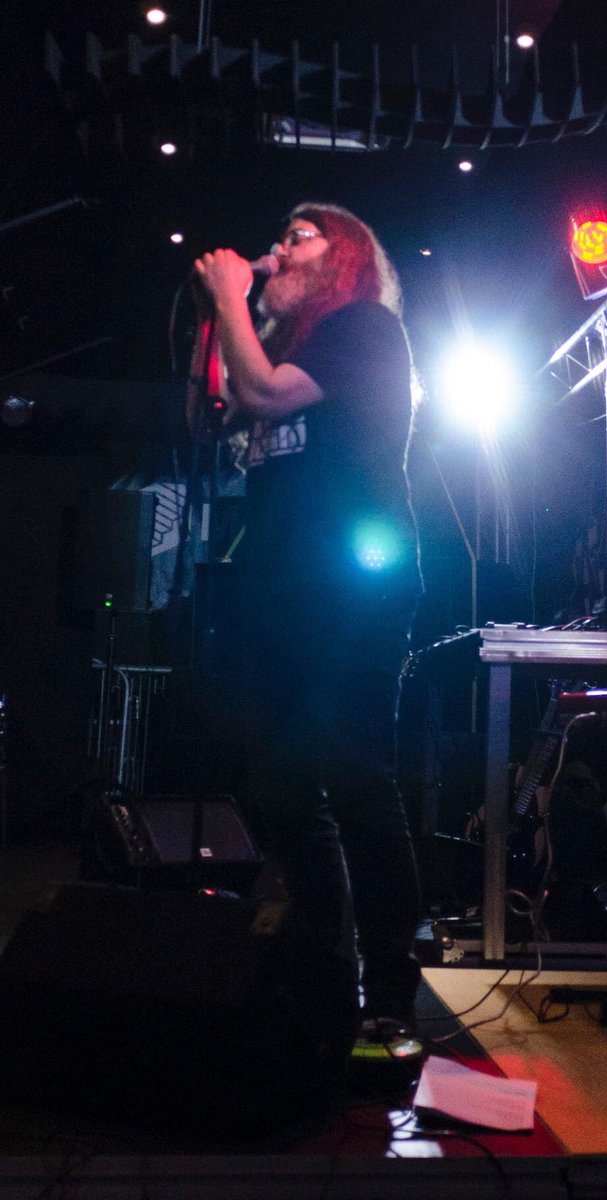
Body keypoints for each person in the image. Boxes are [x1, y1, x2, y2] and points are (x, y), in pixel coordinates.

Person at [187, 203, 423, 1037]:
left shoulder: (362, 328)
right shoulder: (290, 343)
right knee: (279, 782)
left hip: (352, 581)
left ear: (343, 256)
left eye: (299, 235)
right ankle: (329, 960)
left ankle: (393, 985)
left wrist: (228, 294)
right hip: (283, 585)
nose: (280, 246)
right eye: (280, 234)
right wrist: (229, 315)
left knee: (356, 775)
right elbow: (213, 412)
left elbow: (258, 392)